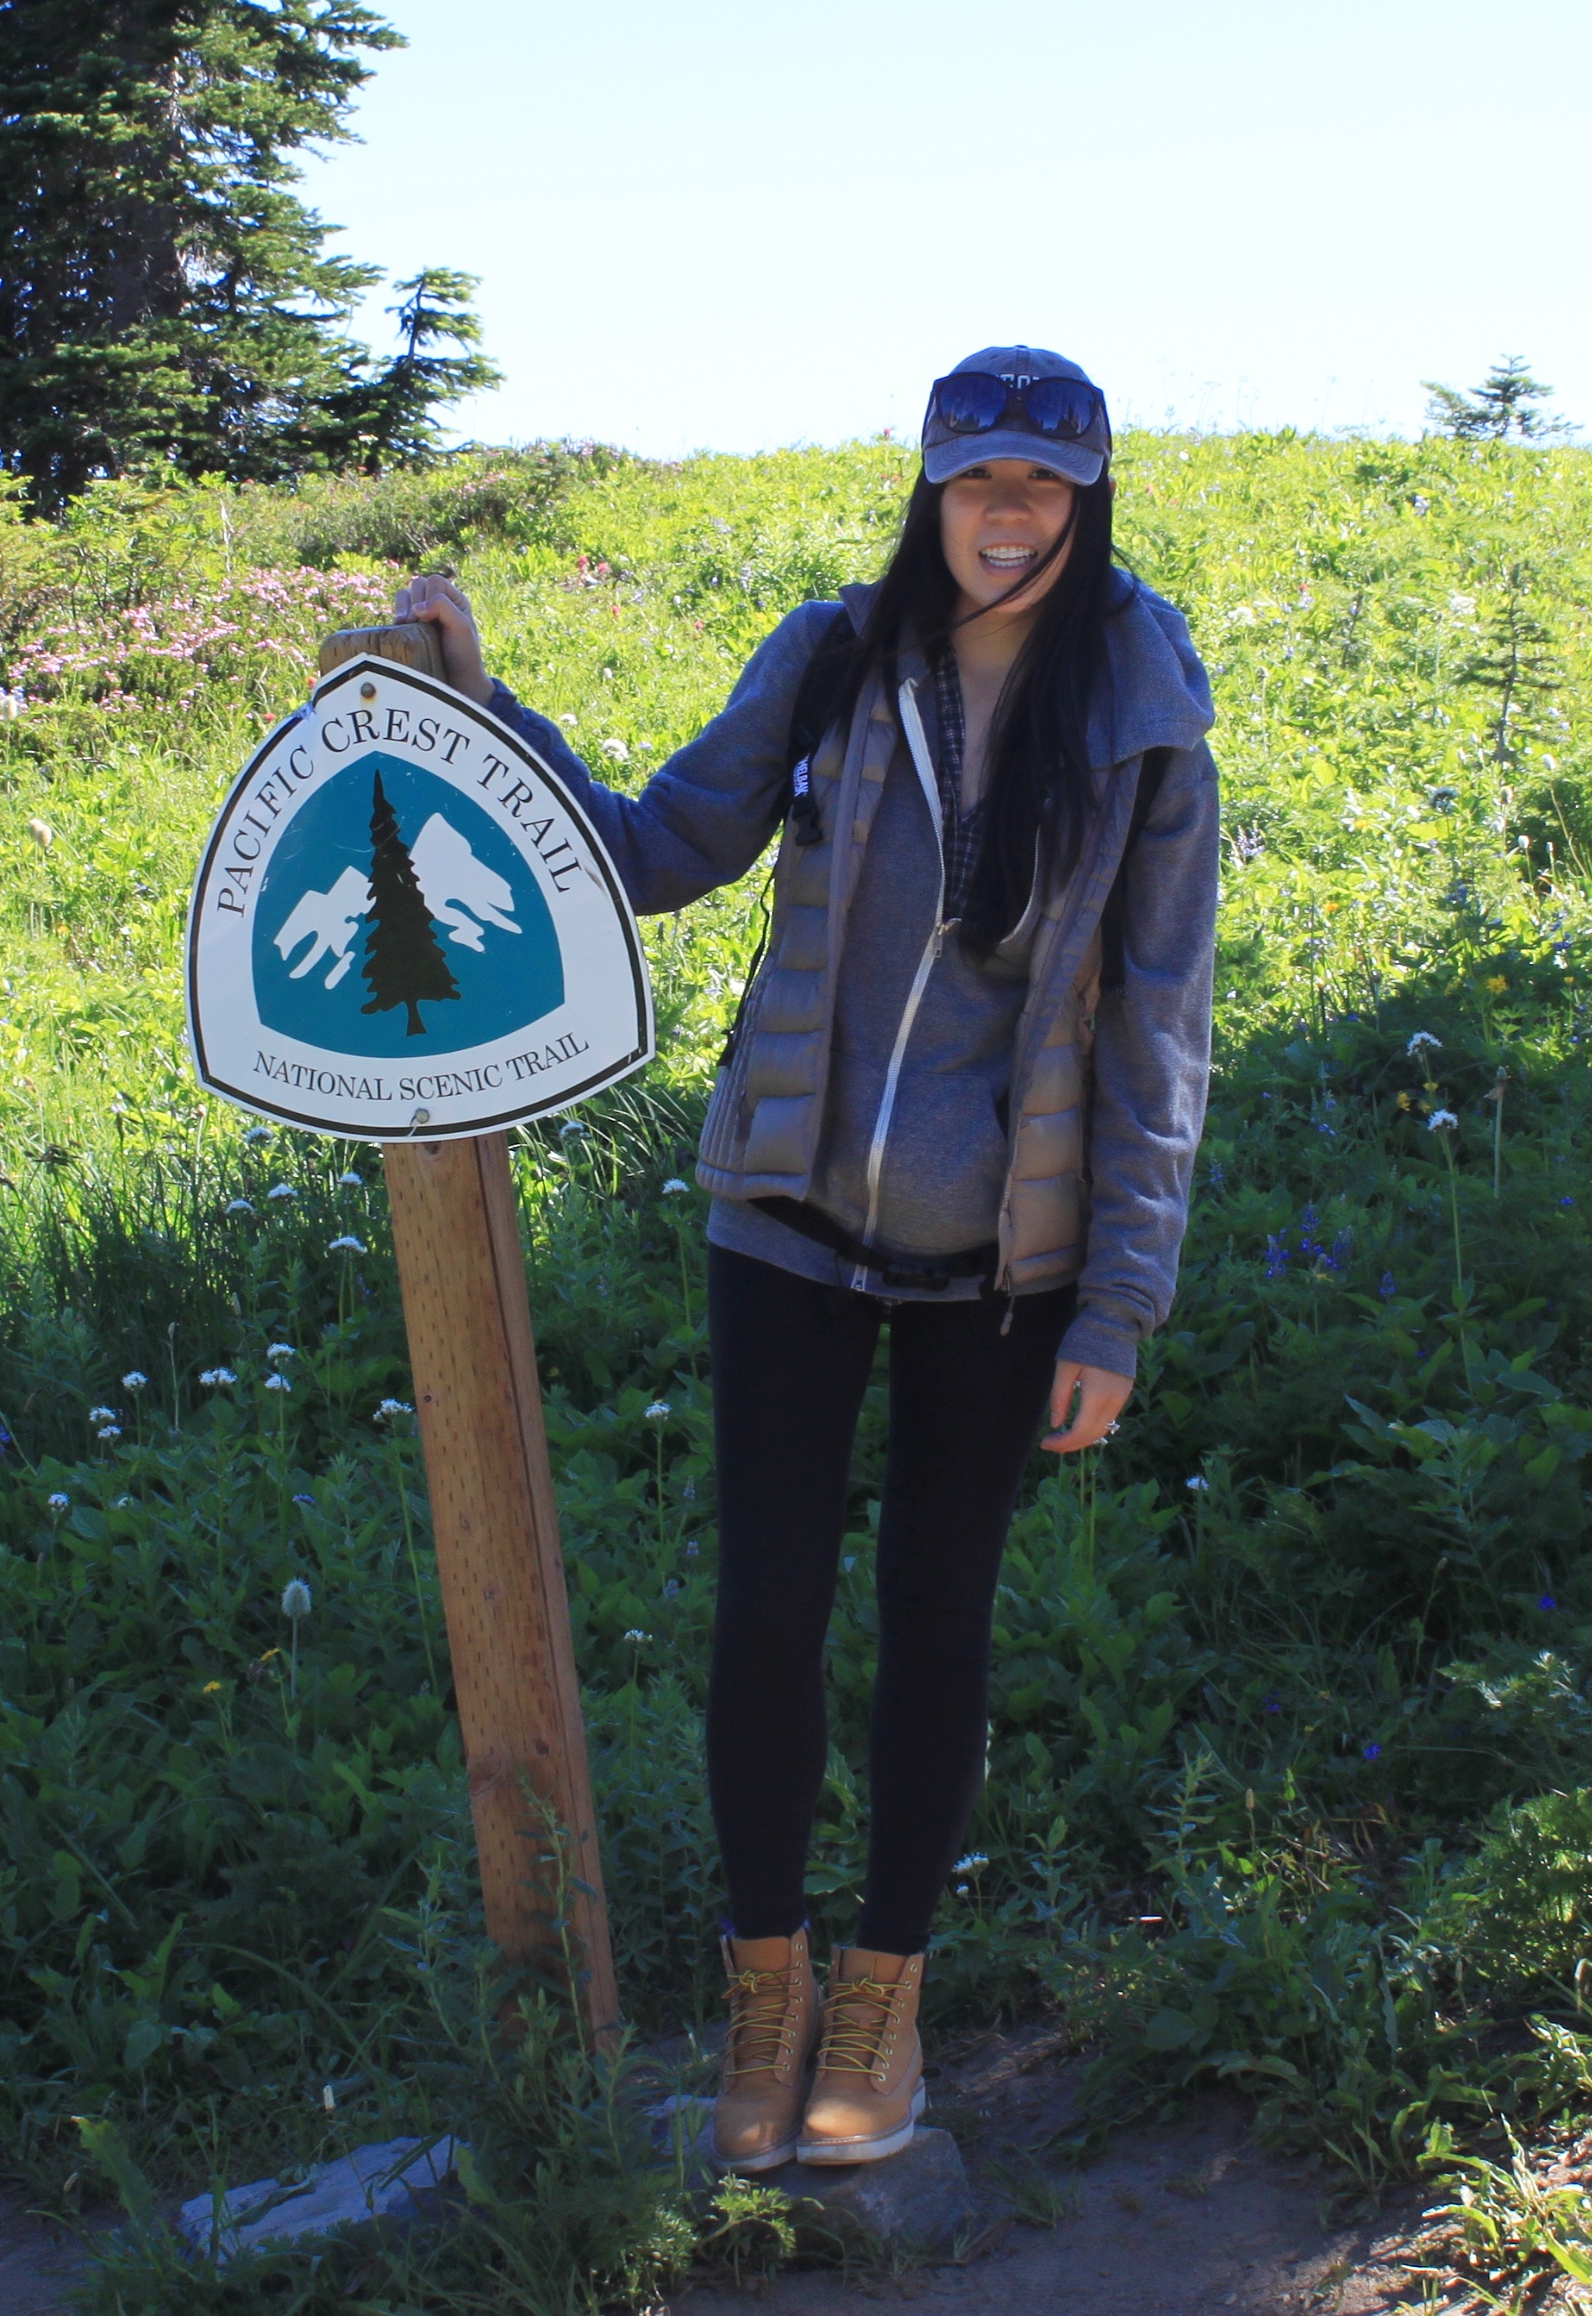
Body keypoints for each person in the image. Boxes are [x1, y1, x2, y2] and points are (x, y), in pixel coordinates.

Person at [392, 347, 1219, 2170]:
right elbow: (651, 850)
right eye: (978, 483)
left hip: (1006, 1266)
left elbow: (1163, 1028)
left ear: (1090, 500)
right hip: (784, 1222)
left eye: (1044, 488)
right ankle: (764, 1993)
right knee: (765, 1612)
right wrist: (477, 705)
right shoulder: (835, 662)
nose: (1009, 517)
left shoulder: (1146, 724)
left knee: (938, 1624)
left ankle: (881, 2000)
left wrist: (1121, 1298)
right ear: (931, 491)